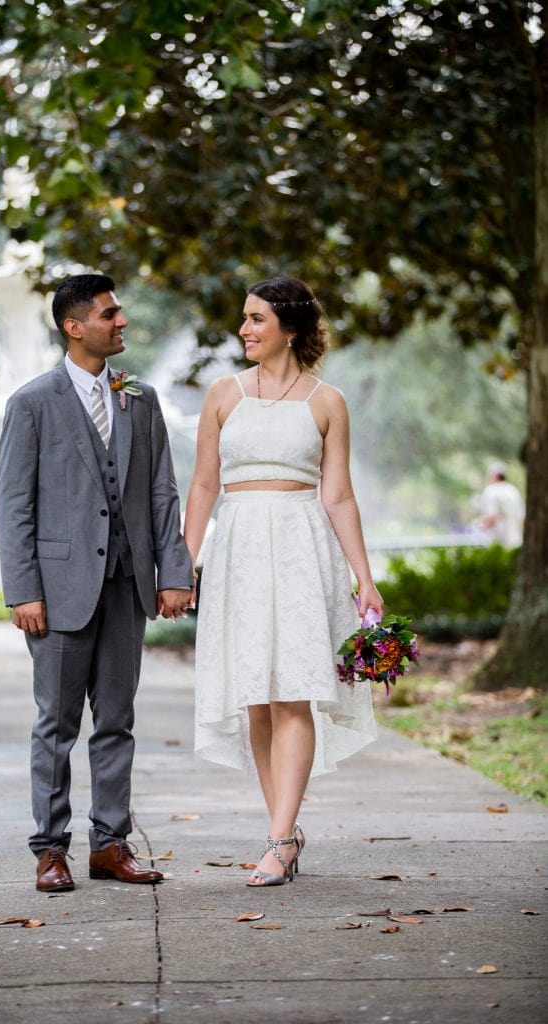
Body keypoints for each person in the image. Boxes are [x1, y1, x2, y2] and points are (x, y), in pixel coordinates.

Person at [0, 273, 194, 892]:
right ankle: (50, 850)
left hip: (127, 585)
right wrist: (23, 589)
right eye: (110, 314)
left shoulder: (140, 395)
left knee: (117, 720)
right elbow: (14, 505)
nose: (122, 322)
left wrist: (174, 571)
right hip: (56, 593)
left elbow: (162, 491)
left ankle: (110, 844)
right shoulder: (31, 403)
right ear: (73, 325)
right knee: (56, 724)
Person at [184, 277, 382, 887]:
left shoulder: (326, 401)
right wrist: (184, 562)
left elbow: (340, 494)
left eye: (256, 319)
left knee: (294, 689)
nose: (244, 329)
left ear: (290, 327)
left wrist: (364, 579)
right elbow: (203, 486)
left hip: (301, 546)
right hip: (238, 546)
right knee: (256, 698)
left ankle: (276, 839)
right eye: (243, 319)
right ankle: (286, 833)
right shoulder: (222, 394)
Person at [479, 461, 524, 548]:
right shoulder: (513, 491)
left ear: (495, 475)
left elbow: (492, 515)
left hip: (497, 542)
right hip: (514, 540)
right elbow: (520, 516)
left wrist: (481, 526)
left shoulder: (491, 491)